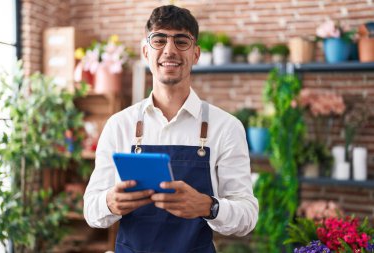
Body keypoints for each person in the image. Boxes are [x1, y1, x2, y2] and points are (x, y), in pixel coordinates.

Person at [84, 5, 258, 253]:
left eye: (181, 41)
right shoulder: (119, 125)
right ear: (146, 51)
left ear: (196, 54)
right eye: (159, 40)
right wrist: (109, 202)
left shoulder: (226, 127)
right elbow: (91, 210)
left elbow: (247, 216)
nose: (170, 50)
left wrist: (208, 206)